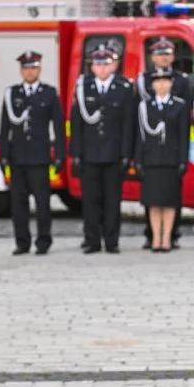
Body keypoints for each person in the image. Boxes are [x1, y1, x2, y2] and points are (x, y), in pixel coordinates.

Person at [70, 46, 135, 254]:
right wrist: (76, 154)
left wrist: (126, 154)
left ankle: (111, 241)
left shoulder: (124, 87)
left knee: (112, 201)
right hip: (90, 154)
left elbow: (128, 125)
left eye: (106, 63)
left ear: (114, 65)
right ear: (92, 66)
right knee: (90, 201)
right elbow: (76, 124)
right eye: (97, 64)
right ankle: (92, 241)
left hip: (113, 154)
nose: (102, 68)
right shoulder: (83, 87)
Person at [0, 51, 65, 256]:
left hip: (39, 157)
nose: (30, 71)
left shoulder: (49, 93)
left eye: (33, 68)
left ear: (39, 69)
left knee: (43, 203)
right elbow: (5, 127)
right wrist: (3, 154)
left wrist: (60, 154)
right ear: (21, 71)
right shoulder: (12, 94)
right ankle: (22, 242)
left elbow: (59, 127)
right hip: (18, 158)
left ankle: (43, 241)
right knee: (18, 205)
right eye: (26, 68)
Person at [139, 38, 191, 250]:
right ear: (153, 58)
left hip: (171, 152)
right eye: (160, 54)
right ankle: (151, 235)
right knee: (151, 199)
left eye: (167, 53)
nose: (163, 57)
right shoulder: (142, 80)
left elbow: (185, 118)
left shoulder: (181, 80)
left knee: (171, 198)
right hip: (151, 154)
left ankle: (171, 235)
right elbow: (140, 126)